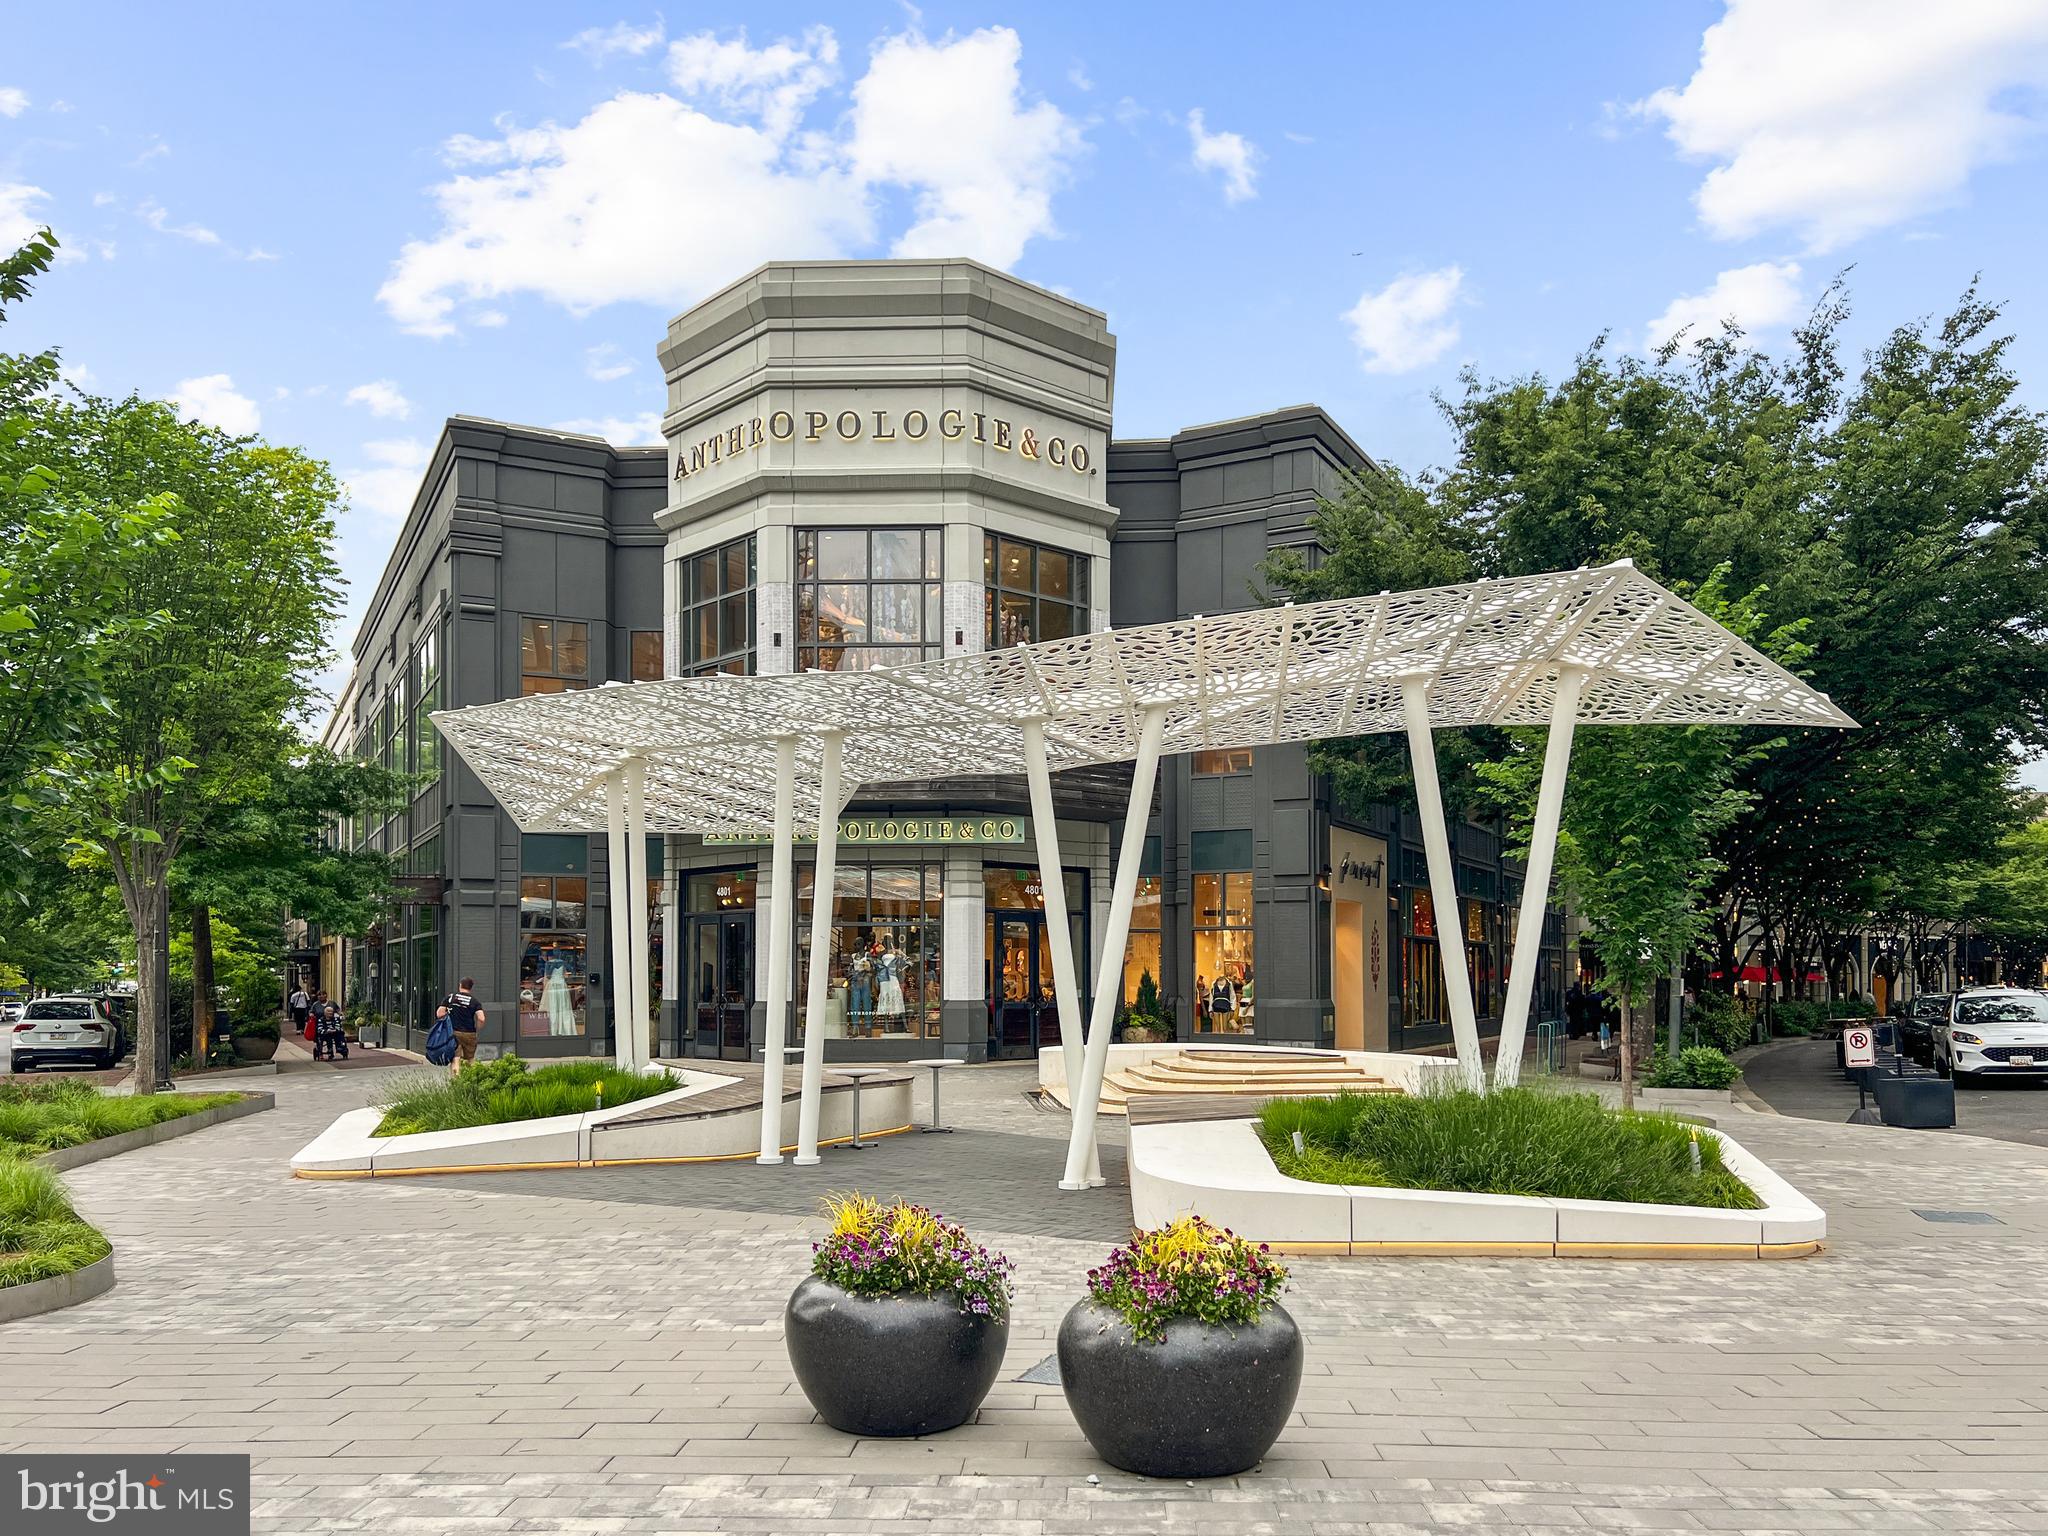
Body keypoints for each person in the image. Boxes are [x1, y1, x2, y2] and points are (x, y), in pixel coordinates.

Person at [437, 978, 484, 1072]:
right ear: (471, 988)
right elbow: (481, 1018)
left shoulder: (451, 997)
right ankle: (473, 1079)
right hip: (469, 1033)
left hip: (453, 1032)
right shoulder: (475, 1002)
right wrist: (477, 1028)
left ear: (460, 985)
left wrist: (449, 1013)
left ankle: (456, 1082)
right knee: (470, 1059)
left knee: (455, 1058)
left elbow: (439, 1014)